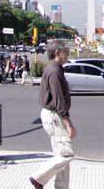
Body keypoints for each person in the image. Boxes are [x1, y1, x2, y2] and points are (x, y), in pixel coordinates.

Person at [30, 40, 76, 189]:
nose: (68, 55)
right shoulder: (55, 71)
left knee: (61, 157)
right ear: (57, 52)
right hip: (54, 115)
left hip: (53, 114)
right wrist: (68, 123)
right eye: (66, 52)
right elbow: (59, 100)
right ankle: (39, 178)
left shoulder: (55, 68)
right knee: (66, 154)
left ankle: (61, 187)